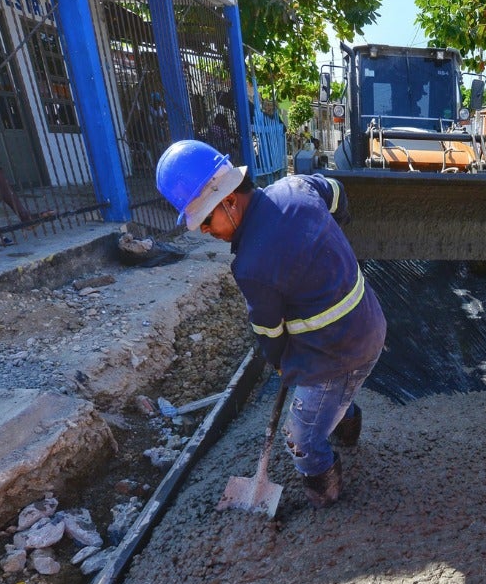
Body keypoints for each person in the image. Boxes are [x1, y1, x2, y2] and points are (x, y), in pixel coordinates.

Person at [156, 140, 385, 508]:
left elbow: (269, 333)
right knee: (336, 395)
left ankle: (327, 498)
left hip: (340, 353)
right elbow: (337, 192)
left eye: (206, 220)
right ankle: (344, 427)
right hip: (369, 320)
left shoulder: (252, 266)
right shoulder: (296, 187)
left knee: (301, 438)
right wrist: (333, 235)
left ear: (230, 201)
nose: (204, 231)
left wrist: (281, 365)